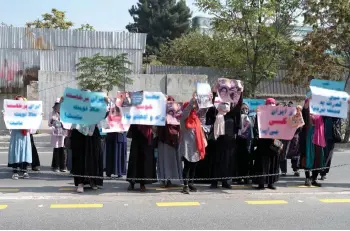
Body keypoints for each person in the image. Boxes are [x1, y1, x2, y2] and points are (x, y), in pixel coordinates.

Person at [179, 93, 207, 194]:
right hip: (187, 147)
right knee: (187, 166)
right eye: (191, 108)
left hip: (196, 147)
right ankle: (185, 185)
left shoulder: (197, 119)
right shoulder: (183, 119)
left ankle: (191, 182)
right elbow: (187, 111)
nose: (193, 109)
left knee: (194, 166)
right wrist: (192, 101)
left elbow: (204, 110)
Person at [252, 98, 282, 190]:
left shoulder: (279, 115)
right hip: (263, 143)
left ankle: (271, 182)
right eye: (269, 104)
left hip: (274, 142)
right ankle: (261, 183)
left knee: (273, 162)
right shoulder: (260, 115)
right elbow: (256, 127)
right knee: (263, 163)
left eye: (273, 104)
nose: (271, 106)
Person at [157, 96, 182, 187]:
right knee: (164, 159)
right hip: (164, 138)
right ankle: (165, 179)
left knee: (172, 159)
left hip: (173, 138)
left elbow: (179, 125)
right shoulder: (160, 114)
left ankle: (172, 178)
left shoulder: (176, 115)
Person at [299, 98, 325, 187]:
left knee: (318, 159)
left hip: (319, 138)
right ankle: (307, 178)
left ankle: (313, 178)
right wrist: (309, 100)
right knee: (308, 158)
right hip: (308, 138)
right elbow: (304, 110)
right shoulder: (306, 112)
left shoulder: (321, 112)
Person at [209, 101, 234, 189]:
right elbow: (210, 109)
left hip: (228, 144)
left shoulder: (231, 116)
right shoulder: (216, 115)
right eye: (223, 103)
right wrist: (214, 94)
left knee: (226, 163)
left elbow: (238, 106)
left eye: (226, 103)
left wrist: (240, 93)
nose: (225, 105)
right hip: (217, 142)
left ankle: (225, 181)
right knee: (216, 162)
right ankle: (214, 182)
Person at [7, 95, 32, 180]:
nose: (21, 103)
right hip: (16, 134)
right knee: (15, 151)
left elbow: (33, 121)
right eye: (18, 102)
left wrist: (37, 116)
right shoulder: (12, 112)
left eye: (22, 102)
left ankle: (25, 171)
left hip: (25, 135)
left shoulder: (27, 112)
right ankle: (15, 172)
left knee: (25, 152)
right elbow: (8, 121)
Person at [126, 125, 157, 192]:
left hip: (147, 133)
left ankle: (142, 183)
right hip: (136, 130)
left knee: (145, 159)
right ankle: (132, 182)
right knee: (134, 158)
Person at [105, 104, 128, 178]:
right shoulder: (109, 111)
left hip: (120, 135)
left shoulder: (124, 112)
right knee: (111, 153)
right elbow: (106, 121)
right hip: (111, 135)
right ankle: (109, 171)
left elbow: (126, 122)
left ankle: (119, 171)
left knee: (120, 154)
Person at [236, 103, 254, 184]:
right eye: (243, 108)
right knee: (239, 160)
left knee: (248, 161)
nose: (245, 110)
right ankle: (239, 178)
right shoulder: (238, 118)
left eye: (246, 108)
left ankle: (247, 177)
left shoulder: (252, 118)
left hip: (249, 142)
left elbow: (254, 129)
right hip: (239, 142)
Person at [49, 98, 68, 172]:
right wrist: (52, 122)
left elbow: (68, 124)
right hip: (55, 134)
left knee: (63, 149)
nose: (58, 107)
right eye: (57, 106)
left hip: (63, 134)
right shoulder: (52, 114)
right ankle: (56, 166)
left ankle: (63, 166)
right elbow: (49, 124)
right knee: (56, 149)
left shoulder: (65, 113)